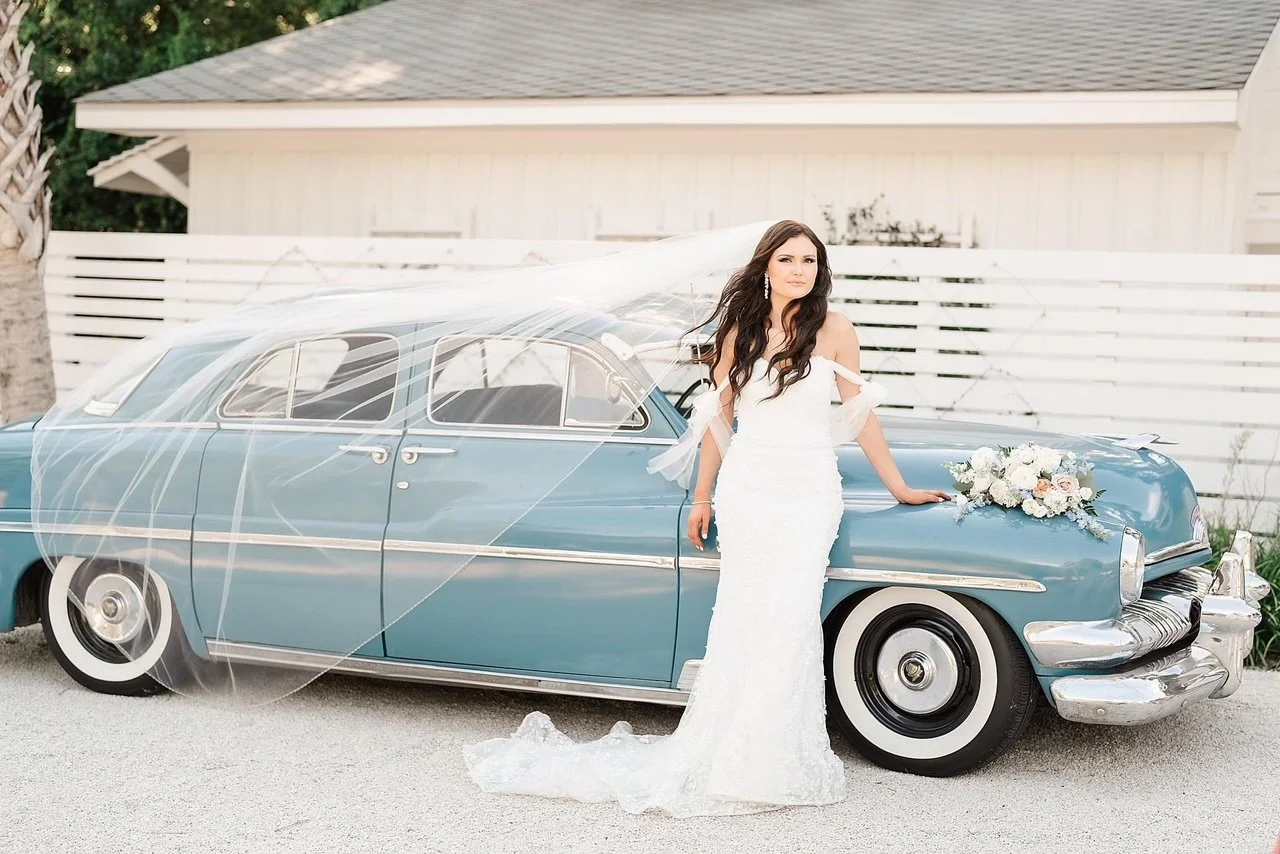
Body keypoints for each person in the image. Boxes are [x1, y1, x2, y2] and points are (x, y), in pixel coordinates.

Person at [463, 219, 951, 817]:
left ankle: (770, 760)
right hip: (749, 490)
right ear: (766, 267)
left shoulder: (835, 331)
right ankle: (727, 754)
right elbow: (717, 424)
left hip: (806, 491)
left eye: (810, 261)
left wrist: (898, 486)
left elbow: (861, 417)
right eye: (789, 259)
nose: (801, 270)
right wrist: (702, 497)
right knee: (744, 616)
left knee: (791, 615)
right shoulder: (738, 331)